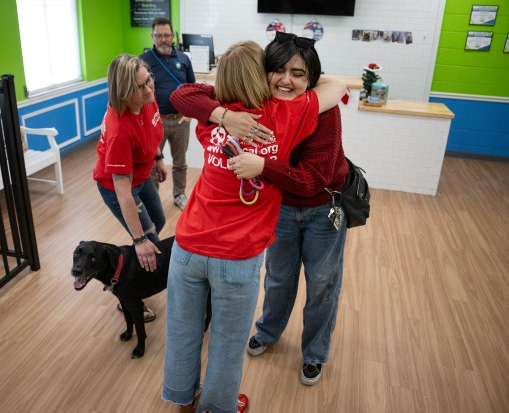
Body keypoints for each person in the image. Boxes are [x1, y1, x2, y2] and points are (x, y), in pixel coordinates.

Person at [162, 38, 346, 413]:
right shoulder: (285, 114)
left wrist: (222, 113)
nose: (285, 79)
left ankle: (183, 400)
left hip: (186, 248)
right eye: (277, 70)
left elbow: (184, 93)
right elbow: (338, 87)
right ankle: (218, 407)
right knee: (228, 341)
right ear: (262, 77)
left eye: (297, 73)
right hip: (236, 256)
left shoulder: (210, 118)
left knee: (183, 332)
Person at [92, 54, 168, 321]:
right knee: (150, 242)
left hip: (142, 174)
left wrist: (157, 157)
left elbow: (152, 131)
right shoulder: (119, 131)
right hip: (117, 187)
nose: (149, 89)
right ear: (124, 92)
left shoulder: (147, 99)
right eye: (140, 86)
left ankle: (136, 256)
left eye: (149, 80)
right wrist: (138, 241)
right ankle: (130, 295)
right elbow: (122, 190)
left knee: (158, 220)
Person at [140, 17, 196, 211]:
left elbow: (192, 89)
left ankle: (179, 195)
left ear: (173, 35)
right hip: (156, 121)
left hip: (181, 121)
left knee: (180, 162)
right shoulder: (143, 61)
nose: (163, 39)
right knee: (152, 164)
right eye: (159, 35)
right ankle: (152, 199)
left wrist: (190, 112)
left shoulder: (184, 59)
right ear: (152, 36)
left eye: (167, 35)